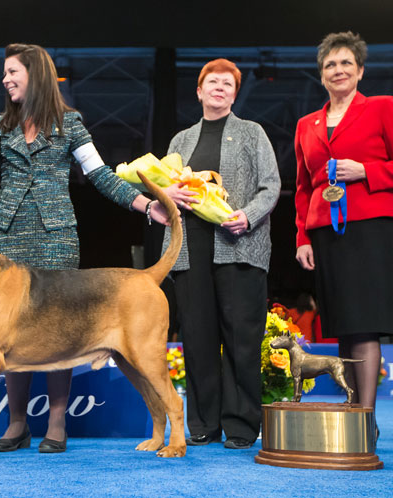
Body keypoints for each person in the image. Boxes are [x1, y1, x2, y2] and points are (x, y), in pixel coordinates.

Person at [0, 43, 169, 453]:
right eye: (4, 73)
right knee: (8, 332)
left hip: (56, 240)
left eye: (12, 71)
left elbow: (101, 176)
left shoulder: (71, 124)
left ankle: (56, 425)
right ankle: (16, 425)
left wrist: (145, 205)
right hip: (8, 238)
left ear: (35, 74)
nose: (5, 79)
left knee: (60, 333)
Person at [161, 59, 280, 449]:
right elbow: (165, 188)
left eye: (228, 84)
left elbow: (271, 186)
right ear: (199, 91)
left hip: (240, 247)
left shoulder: (252, 133)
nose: (220, 88)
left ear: (234, 93)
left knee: (242, 339)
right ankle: (202, 424)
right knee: (196, 339)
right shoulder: (180, 140)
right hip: (188, 250)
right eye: (212, 82)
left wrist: (247, 216)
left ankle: (242, 426)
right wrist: (168, 196)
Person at [294, 31, 393, 421]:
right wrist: (302, 237)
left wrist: (367, 170)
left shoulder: (383, 108)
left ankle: (365, 421)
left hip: (371, 228)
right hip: (324, 233)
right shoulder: (307, 124)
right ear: (321, 75)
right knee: (343, 325)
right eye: (330, 64)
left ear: (360, 71)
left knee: (364, 324)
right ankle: (352, 417)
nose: (338, 70)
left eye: (345, 63)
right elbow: (303, 188)